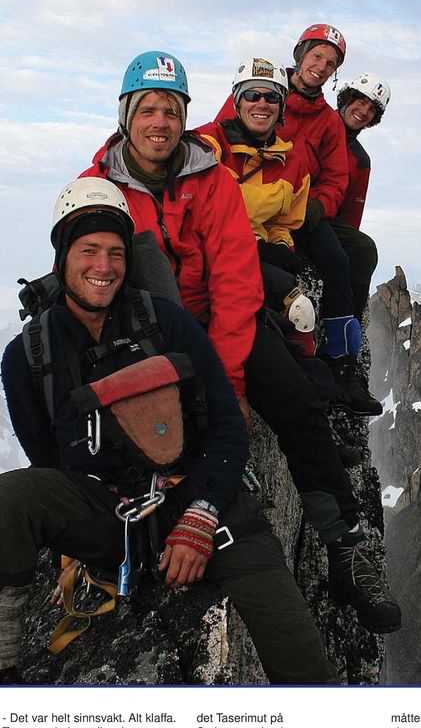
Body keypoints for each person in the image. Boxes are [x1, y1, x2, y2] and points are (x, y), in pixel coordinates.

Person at [0, 178, 341, 685]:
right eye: (88, 250)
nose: (104, 266)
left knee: (301, 658)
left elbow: (226, 422)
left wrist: (201, 515)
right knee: (6, 499)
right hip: (108, 513)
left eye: (116, 252)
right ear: (62, 257)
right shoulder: (26, 358)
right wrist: (71, 552)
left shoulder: (166, 322)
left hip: (199, 499)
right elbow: (49, 465)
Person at [84, 51, 400, 630]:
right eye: (148, 109)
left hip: (217, 322)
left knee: (299, 409)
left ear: (185, 117)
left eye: (171, 110)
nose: (160, 122)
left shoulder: (212, 180)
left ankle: (346, 546)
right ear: (127, 114)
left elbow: (234, 281)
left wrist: (225, 381)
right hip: (142, 337)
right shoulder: (97, 188)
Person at [216, 25, 381, 416]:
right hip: (253, 206)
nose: (322, 67)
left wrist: (317, 208)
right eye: (317, 56)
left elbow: (337, 176)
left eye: (331, 63)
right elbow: (223, 139)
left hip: (298, 209)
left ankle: (340, 360)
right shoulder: (265, 90)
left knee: (347, 257)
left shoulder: (325, 119)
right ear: (302, 54)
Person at [195, 57, 316, 352]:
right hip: (209, 252)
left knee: (300, 315)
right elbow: (201, 204)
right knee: (293, 303)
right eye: (252, 94)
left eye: (272, 96)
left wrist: (279, 246)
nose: (262, 104)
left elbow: (283, 223)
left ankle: (309, 369)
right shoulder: (209, 142)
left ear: (282, 106)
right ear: (237, 102)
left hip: (254, 255)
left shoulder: (294, 164)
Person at [333, 73, 392, 319]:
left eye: (371, 109)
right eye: (360, 100)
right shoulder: (314, 125)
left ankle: (348, 325)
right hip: (286, 207)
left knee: (363, 250)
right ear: (347, 98)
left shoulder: (360, 160)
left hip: (321, 221)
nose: (363, 111)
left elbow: (350, 219)